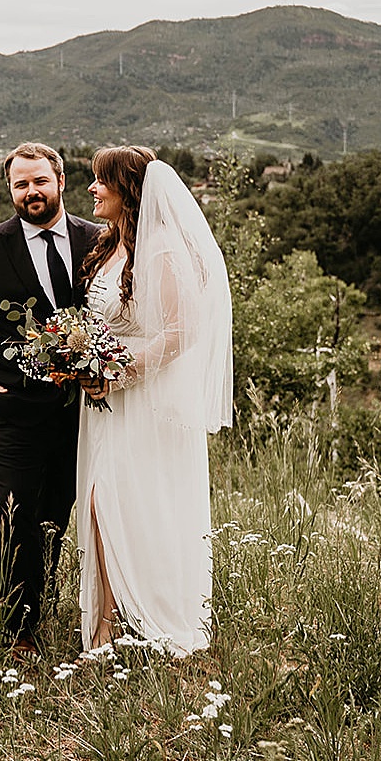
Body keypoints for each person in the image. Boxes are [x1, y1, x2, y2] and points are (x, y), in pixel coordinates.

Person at [0, 141, 105, 652]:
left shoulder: (98, 239)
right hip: (11, 409)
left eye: (39, 181)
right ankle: (19, 632)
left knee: (57, 511)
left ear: (60, 181)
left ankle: (42, 598)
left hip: (83, 411)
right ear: (10, 189)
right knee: (15, 512)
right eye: (20, 184)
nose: (30, 192)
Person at [76, 146, 233, 656]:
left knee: (130, 505)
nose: (94, 190)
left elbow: (179, 334)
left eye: (103, 182)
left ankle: (142, 616)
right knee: (98, 503)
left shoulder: (162, 248)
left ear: (129, 190)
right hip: (105, 405)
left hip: (143, 402)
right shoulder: (109, 245)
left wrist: (113, 371)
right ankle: (106, 621)